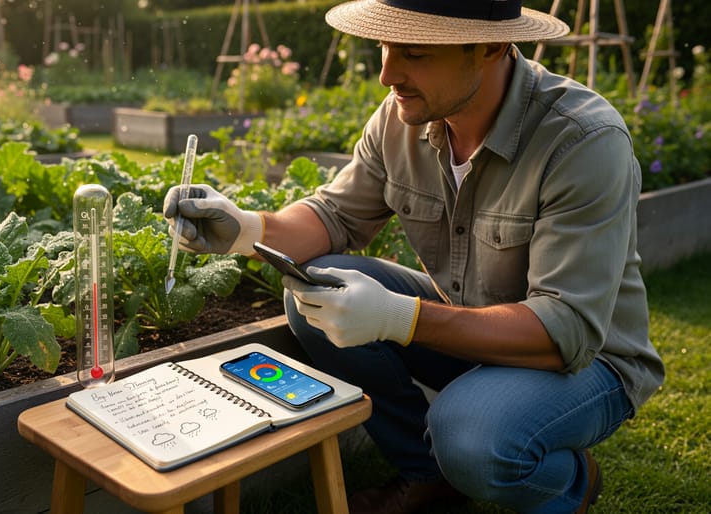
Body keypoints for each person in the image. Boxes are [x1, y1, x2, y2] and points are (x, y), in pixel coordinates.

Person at [163, 0, 665, 512]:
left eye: (415, 52)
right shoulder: (405, 117)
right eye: (384, 46)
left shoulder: (581, 139)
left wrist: (397, 317)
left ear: (490, 46)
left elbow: (565, 331)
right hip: (473, 324)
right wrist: (242, 230)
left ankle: (569, 483)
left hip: (586, 360)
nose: (386, 73)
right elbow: (334, 215)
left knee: (471, 439)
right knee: (317, 286)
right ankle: (429, 477)